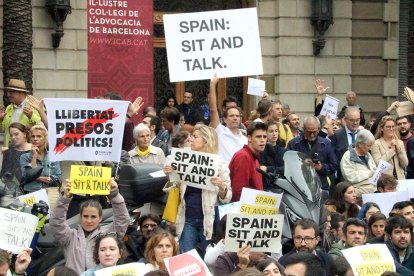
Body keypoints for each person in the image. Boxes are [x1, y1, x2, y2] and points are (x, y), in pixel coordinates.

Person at [163, 125, 232, 255]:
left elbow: (227, 197)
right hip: (187, 218)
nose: (191, 140)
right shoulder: (183, 159)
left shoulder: (219, 165)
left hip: (209, 220)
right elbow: (173, 189)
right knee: (187, 257)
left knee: (209, 257)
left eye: (195, 137)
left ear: (206, 140)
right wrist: (170, 175)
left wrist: (221, 187)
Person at [50, 178, 129, 274]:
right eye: (85, 216)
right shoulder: (70, 237)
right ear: (80, 217)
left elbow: (122, 220)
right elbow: (56, 222)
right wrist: (65, 198)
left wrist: (115, 195)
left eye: (93, 217)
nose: (89, 221)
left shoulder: (108, 235)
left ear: (100, 218)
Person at [287, 116, 338, 191]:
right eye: (309, 132)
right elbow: (287, 166)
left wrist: (321, 167)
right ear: (303, 128)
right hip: (300, 188)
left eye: (314, 132)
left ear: (319, 129)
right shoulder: (294, 144)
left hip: (321, 187)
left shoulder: (326, 143)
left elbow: (334, 166)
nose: (312, 135)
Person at [209, 75, 247, 164]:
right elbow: (213, 109)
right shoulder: (220, 131)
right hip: (223, 175)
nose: (235, 118)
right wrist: (212, 85)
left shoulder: (245, 139)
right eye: (231, 116)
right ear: (224, 119)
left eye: (237, 116)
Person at [229, 122, 267, 202]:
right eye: (258, 137)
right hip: (244, 211)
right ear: (249, 138)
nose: (262, 140)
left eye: (264, 137)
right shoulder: (243, 157)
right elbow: (238, 191)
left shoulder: (254, 157)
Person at [0, 79, 42, 147]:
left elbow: (42, 128)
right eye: (8, 92)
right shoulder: (9, 108)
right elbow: (4, 129)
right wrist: (1, 119)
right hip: (10, 150)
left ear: (21, 93)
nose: (8, 95)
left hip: (28, 151)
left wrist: (31, 116)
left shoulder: (34, 106)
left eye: (11, 92)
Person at [19, 124, 61, 193]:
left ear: (45, 139)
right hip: (32, 193)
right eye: (33, 136)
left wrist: (35, 178)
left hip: (50, 192)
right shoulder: (24, 157)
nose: (35, 139)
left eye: (39, 136)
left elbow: (57, 177)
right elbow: (27, 176)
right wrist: (34, 157)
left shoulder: (53, 155)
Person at [340, 129, 377, 196]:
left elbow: (374, 169)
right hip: (358, 191)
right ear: (360, 144)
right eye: (368, 145)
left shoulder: (368, 155)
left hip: (373, 189)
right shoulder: (348, 156)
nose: (370, 148)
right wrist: (369, 173)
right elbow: (350, 176)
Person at [371, 116, 408, 180]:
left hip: (400, 179)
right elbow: (378, 164)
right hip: (384, 181)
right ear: (382, 128)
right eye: (388, 127)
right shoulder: (376, 143)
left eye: (393, 126)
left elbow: (405, 164)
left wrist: (398, 150)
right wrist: (392, 150)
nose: (391, 129)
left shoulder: (399, 142)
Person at [0, 123, 31, 198]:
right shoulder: (8, 152)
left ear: (24, 134)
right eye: (11, 135)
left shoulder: (34, 150)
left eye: (16, 134)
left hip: (31, 191)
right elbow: (4, 177)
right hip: (11, 194)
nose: (13, 137)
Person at [331, 106, 361, 181]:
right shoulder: (337, 135)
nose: (355, 123)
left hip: (361, 177)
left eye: (357, 120)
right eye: (352, 120)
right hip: (343, 178)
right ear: (345, 120)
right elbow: (333, 158)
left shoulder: (363, 134)